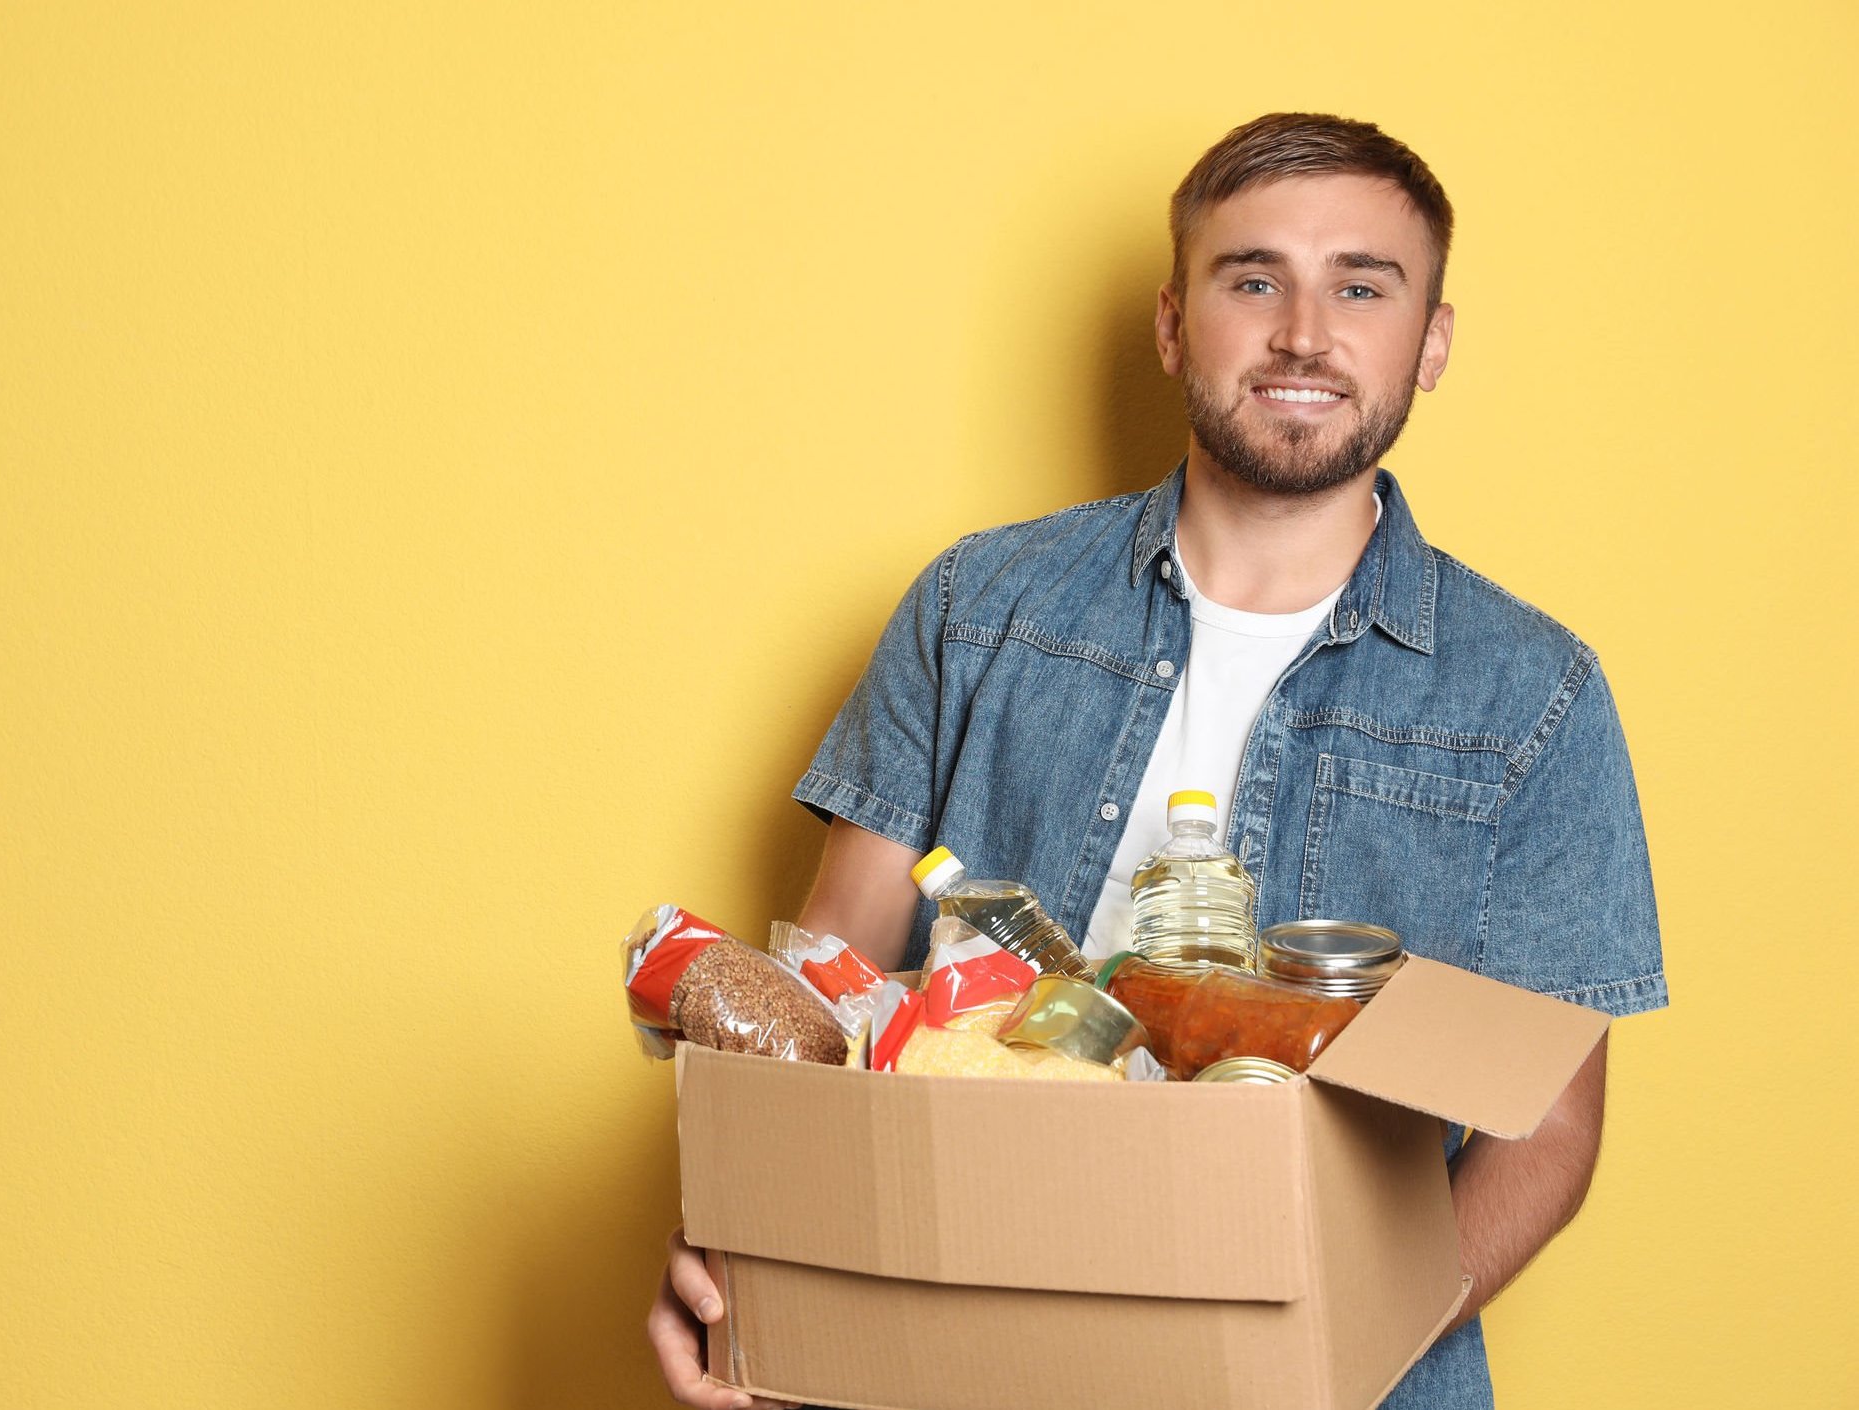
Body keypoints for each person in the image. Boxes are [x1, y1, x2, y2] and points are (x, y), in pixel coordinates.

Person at [644, 112, 1668, 1410]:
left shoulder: (1535, 693)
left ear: (1433, 341)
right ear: (1175, 324)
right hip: (958, 1355)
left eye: (1363, 285)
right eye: (1254, 279)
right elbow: (822, 999)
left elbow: (1550, 1129)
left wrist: (1326, 1351)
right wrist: (746, 1265)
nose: (1305, 331)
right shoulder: (980, 606)